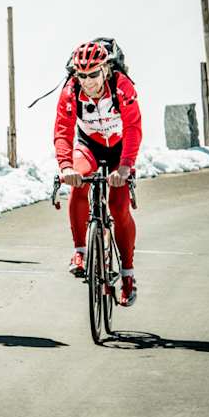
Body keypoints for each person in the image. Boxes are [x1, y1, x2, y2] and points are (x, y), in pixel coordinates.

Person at [53, 40, 142, 306]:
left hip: (119, 149)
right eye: (82, 75)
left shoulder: (122, 87)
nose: (88, 81)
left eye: (93, 74)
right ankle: (80, 251)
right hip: (88, 145)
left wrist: (125, 166)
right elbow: (62, 132)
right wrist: (66, 167)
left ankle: (127, 273)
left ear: (106, 69)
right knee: (78, 182)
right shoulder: (70, 91)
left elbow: (133, 128)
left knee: (119, 207)